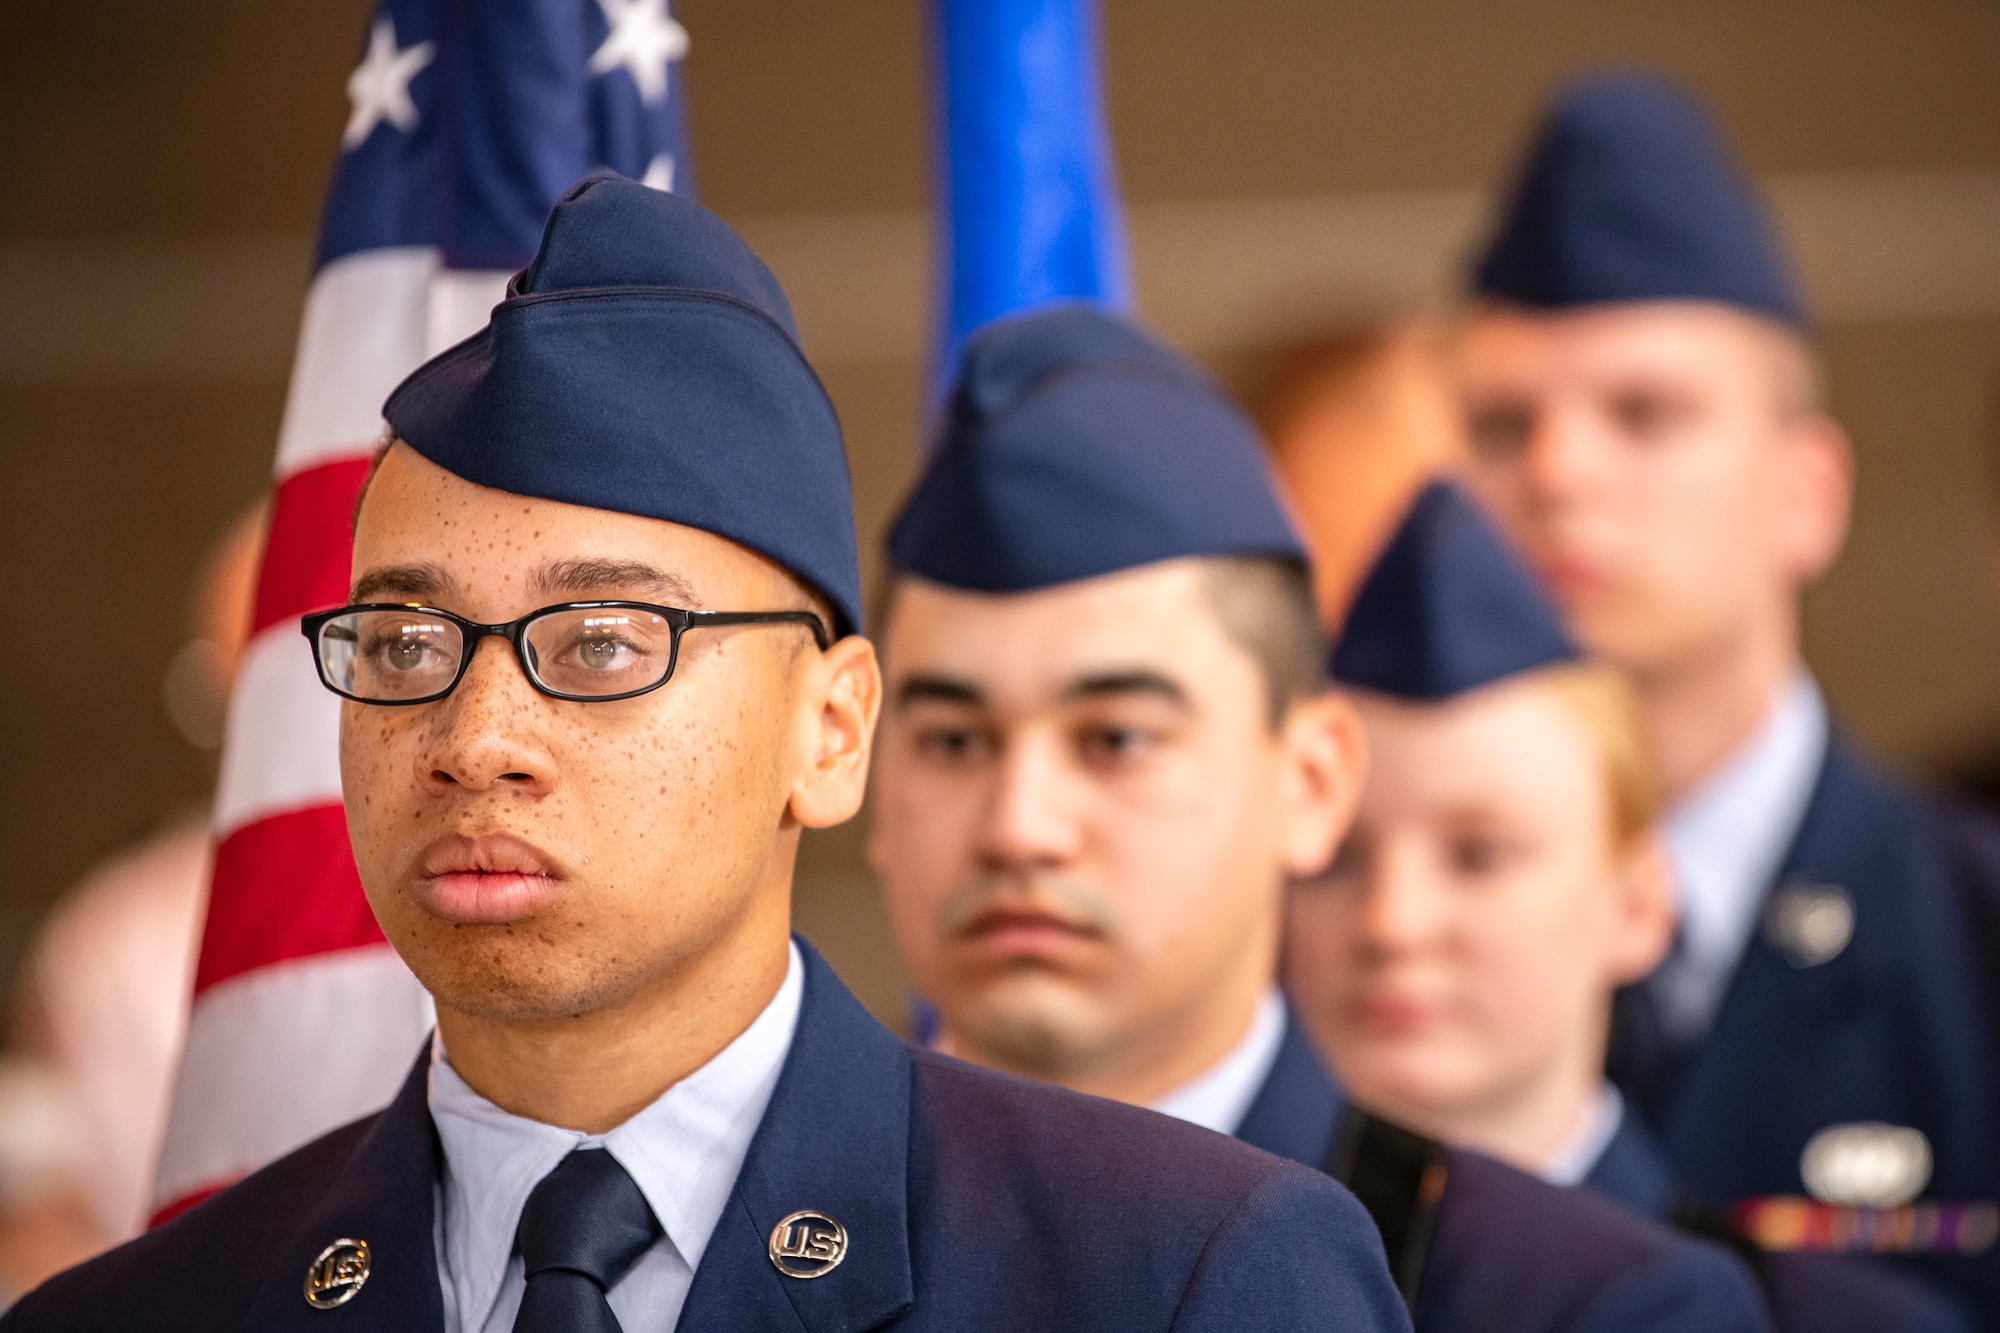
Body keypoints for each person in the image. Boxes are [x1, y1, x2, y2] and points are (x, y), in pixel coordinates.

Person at [2, 179, 1410, 1332]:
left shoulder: (1180, 1278)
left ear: (834, 729)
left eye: (605, 643)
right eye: (406, 648)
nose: (480, 740)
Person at [868, 301, 1773, 1332]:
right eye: (952, 741)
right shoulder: (727, 1226)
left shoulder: (1579, 1304)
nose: (1020, 825)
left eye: (1115, 739)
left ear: (1307, 782)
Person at [1453, 73, 2000, 1321]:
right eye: (1498, 423)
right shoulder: (1354, 951)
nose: (1557, 472)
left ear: (1804, 492)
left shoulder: (1973, 940)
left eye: (1645, 414)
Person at [1286, 478, 1974, 1333]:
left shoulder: (1823, 1322)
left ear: (1639, 905)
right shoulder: (1186, 1267)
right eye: (1337, 859)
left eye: (1481, 856)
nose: (1392, 920)